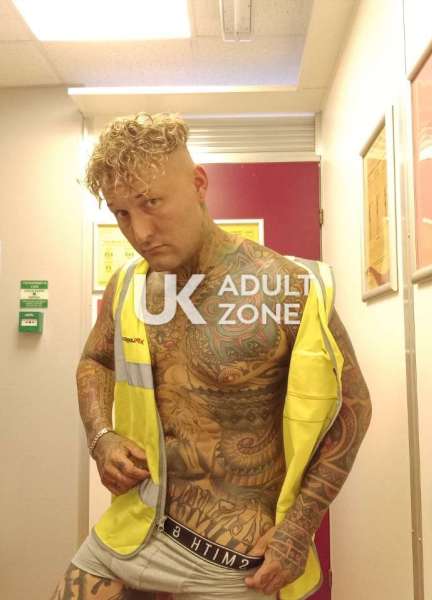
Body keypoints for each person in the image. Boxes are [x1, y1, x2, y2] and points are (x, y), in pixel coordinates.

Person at [50, 113, 371, 600]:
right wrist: (101, 437)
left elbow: (353, 407)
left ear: (199, 184)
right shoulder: (128, 286)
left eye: (151, 202)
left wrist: (299, 527)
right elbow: (95, 360)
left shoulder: (285, 286)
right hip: (131, 529)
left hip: (231, 559)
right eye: (121, 214)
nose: (140, 231)